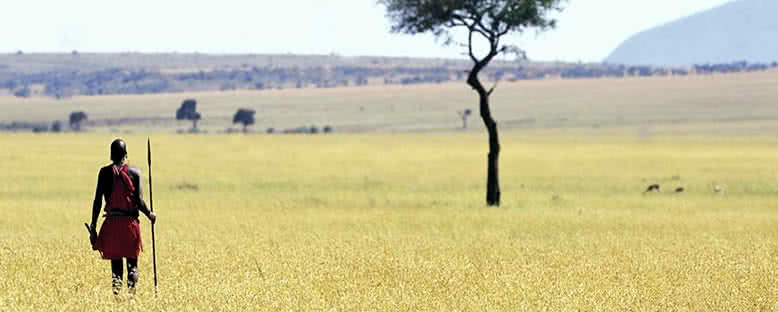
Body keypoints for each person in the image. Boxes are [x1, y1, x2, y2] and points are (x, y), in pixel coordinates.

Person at [88, 138, 156, 295]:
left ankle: (117, 301)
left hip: (112, 225)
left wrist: (93, 226)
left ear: (111, 155)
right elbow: (138, 201)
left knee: (116, 268)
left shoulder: (104, 173)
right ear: (126, 154)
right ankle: (132, 299)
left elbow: (97, 200)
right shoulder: (135, 173)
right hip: (130, 225)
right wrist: (150, 214)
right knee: (132, 265)